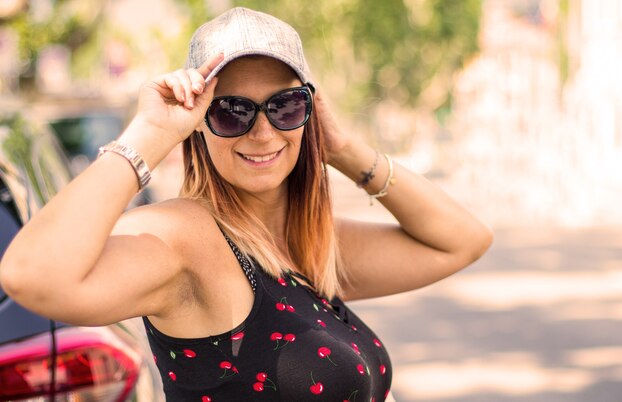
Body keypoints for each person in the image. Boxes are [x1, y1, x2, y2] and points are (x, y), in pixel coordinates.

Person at [0, 7, 492, 401]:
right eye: (232, 111)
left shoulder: (306, 245)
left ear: (308, 112)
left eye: (285, 106)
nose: (262, 132)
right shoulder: (185, 240)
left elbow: (463, 241)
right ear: (197, 126)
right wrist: (149, 136)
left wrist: (342, 148)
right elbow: (33, 276)